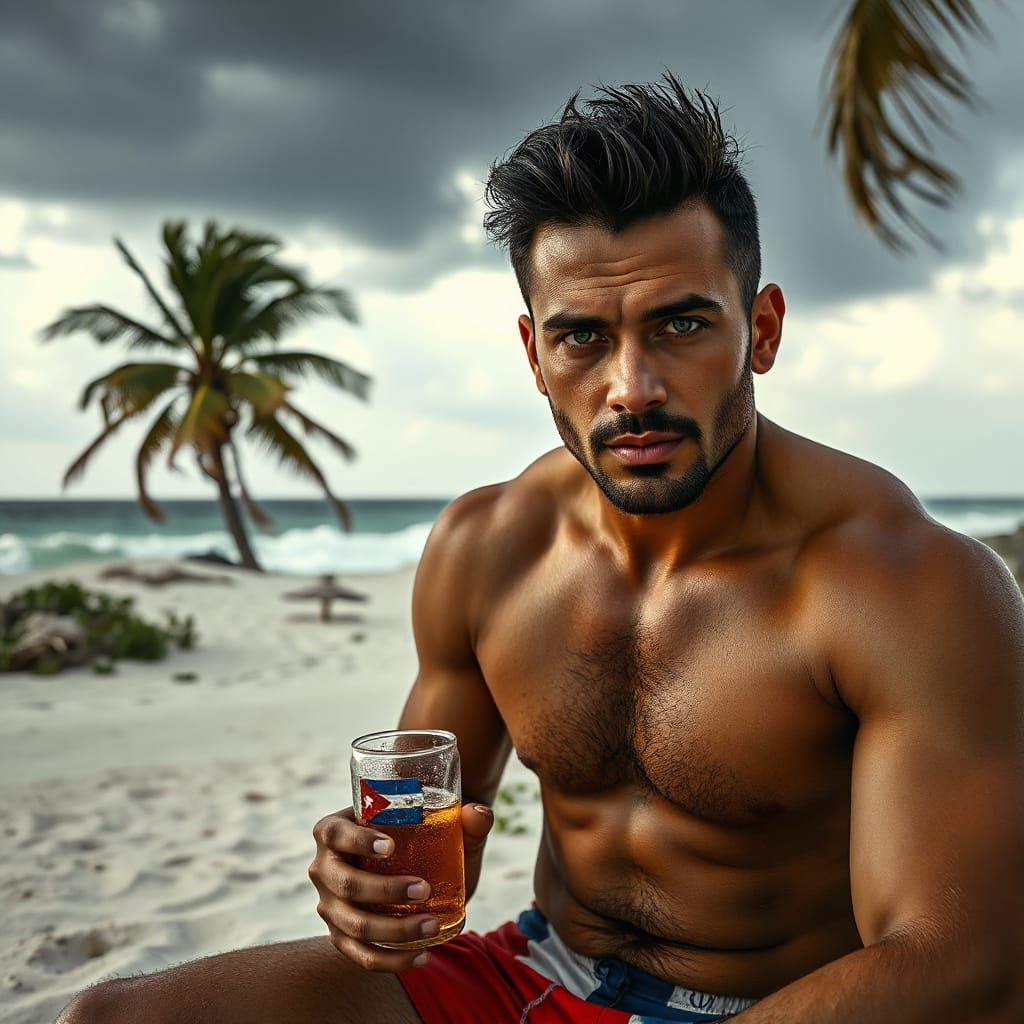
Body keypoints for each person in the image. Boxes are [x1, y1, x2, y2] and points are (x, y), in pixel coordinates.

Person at [58, 74, 1024, 1024]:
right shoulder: (489, 548)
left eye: (681, 324)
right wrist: (368, 887)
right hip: (539, 973)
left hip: (789, 1006)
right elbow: (428, 835)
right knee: (107, 1017)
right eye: (583, 338)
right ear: (533, 355)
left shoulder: (905, 582)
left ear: (761, 331)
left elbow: (960, 964)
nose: (631, 386)